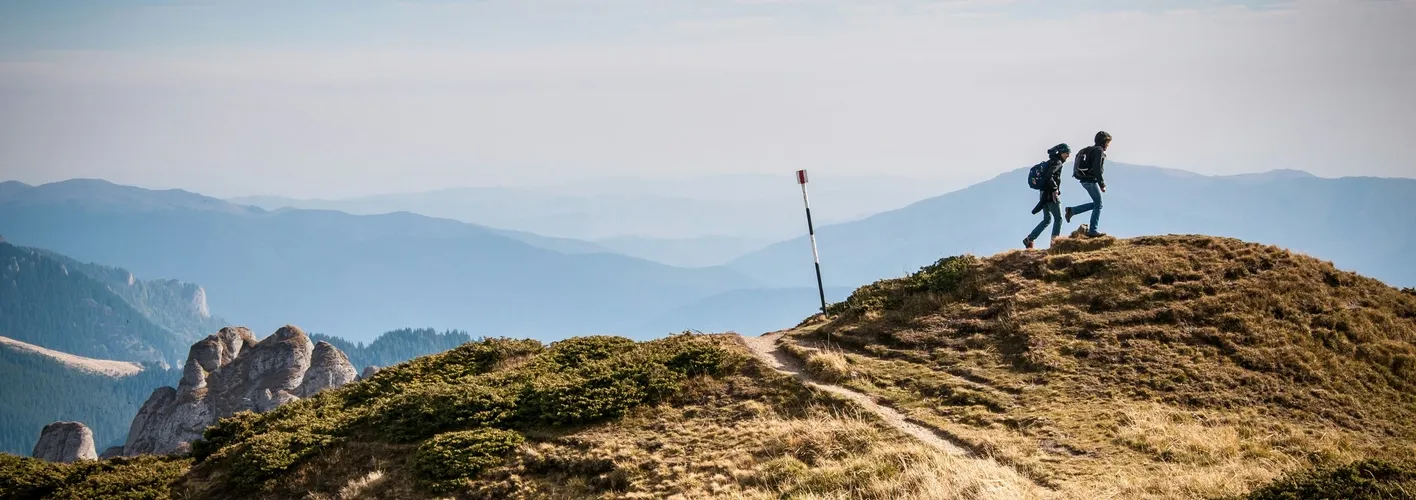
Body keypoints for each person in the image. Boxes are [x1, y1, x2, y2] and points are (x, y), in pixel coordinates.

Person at [1024, 143, 1069, 249]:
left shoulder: (1050, 162)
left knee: (1047, 219)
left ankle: (1029, 239)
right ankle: (1055, 244)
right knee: (1059, 218)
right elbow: (1049, 176)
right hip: (1050, 194)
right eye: (1066, 153)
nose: (1068, 155)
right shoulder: (1057, 162)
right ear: (1060, 152)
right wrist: (1055, 189)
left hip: (1043, 193)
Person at [1066, 131, 1111, 237]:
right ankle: (1092, 231)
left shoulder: (1088, 149)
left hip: (1083, 180)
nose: (1108, 146)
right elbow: (1096, 169)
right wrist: (1102, 184)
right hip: (1090, 180)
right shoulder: (1098, 151)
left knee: (1097, 204)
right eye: (1108, 143)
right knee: (1098, 204)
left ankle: (1072, 211)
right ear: (1104, 142)